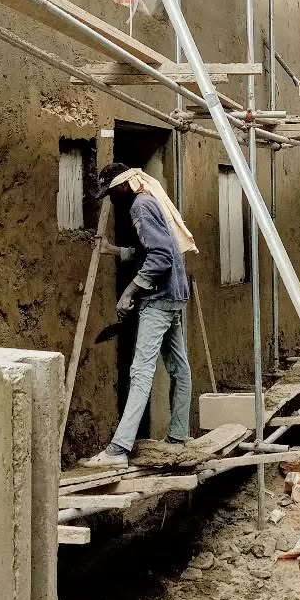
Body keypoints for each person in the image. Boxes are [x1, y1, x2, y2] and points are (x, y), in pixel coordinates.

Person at [84, 163, 198, 467]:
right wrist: (113, 250)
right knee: (180, 368)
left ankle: (119, 449)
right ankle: (178, 437)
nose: (110, 199)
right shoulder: (150, 199)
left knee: (141, 371)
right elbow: (152, 249)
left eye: (111, 193)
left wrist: (128, 292)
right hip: (175, 295)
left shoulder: (139, 206)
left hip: (159, 299)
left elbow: (160, 257)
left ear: (123, 186)